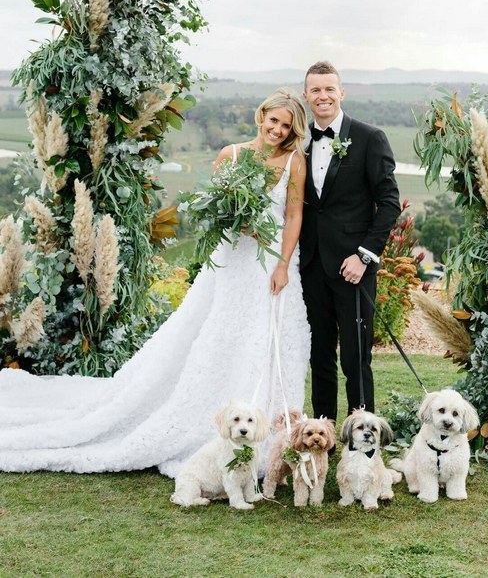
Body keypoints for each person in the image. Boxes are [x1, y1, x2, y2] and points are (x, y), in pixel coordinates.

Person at [0, 89, 310, 477]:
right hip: (233, 258)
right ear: (261, 116)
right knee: (220, 332)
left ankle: (271, 432)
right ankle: (216, 421)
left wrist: (281, 263)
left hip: (273, 262)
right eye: (273, 120)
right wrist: (237, 222)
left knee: (270, 337)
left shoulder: (294, 161)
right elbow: (213, 209)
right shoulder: (230, 155)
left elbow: (294, 216)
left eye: (286, 125)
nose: (277, 130)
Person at [300, 62, 400, 425]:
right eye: (315, 90)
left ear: (341, 93)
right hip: (310, 267)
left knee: (355, 359)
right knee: (320, 358)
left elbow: (389, 202)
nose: (323, 96)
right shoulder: (301, 141)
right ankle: (321, 440)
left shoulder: (370, 137)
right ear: (306, 96)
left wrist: (364, 256)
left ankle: (363, 444)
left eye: (330, 89)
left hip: (353, 268)